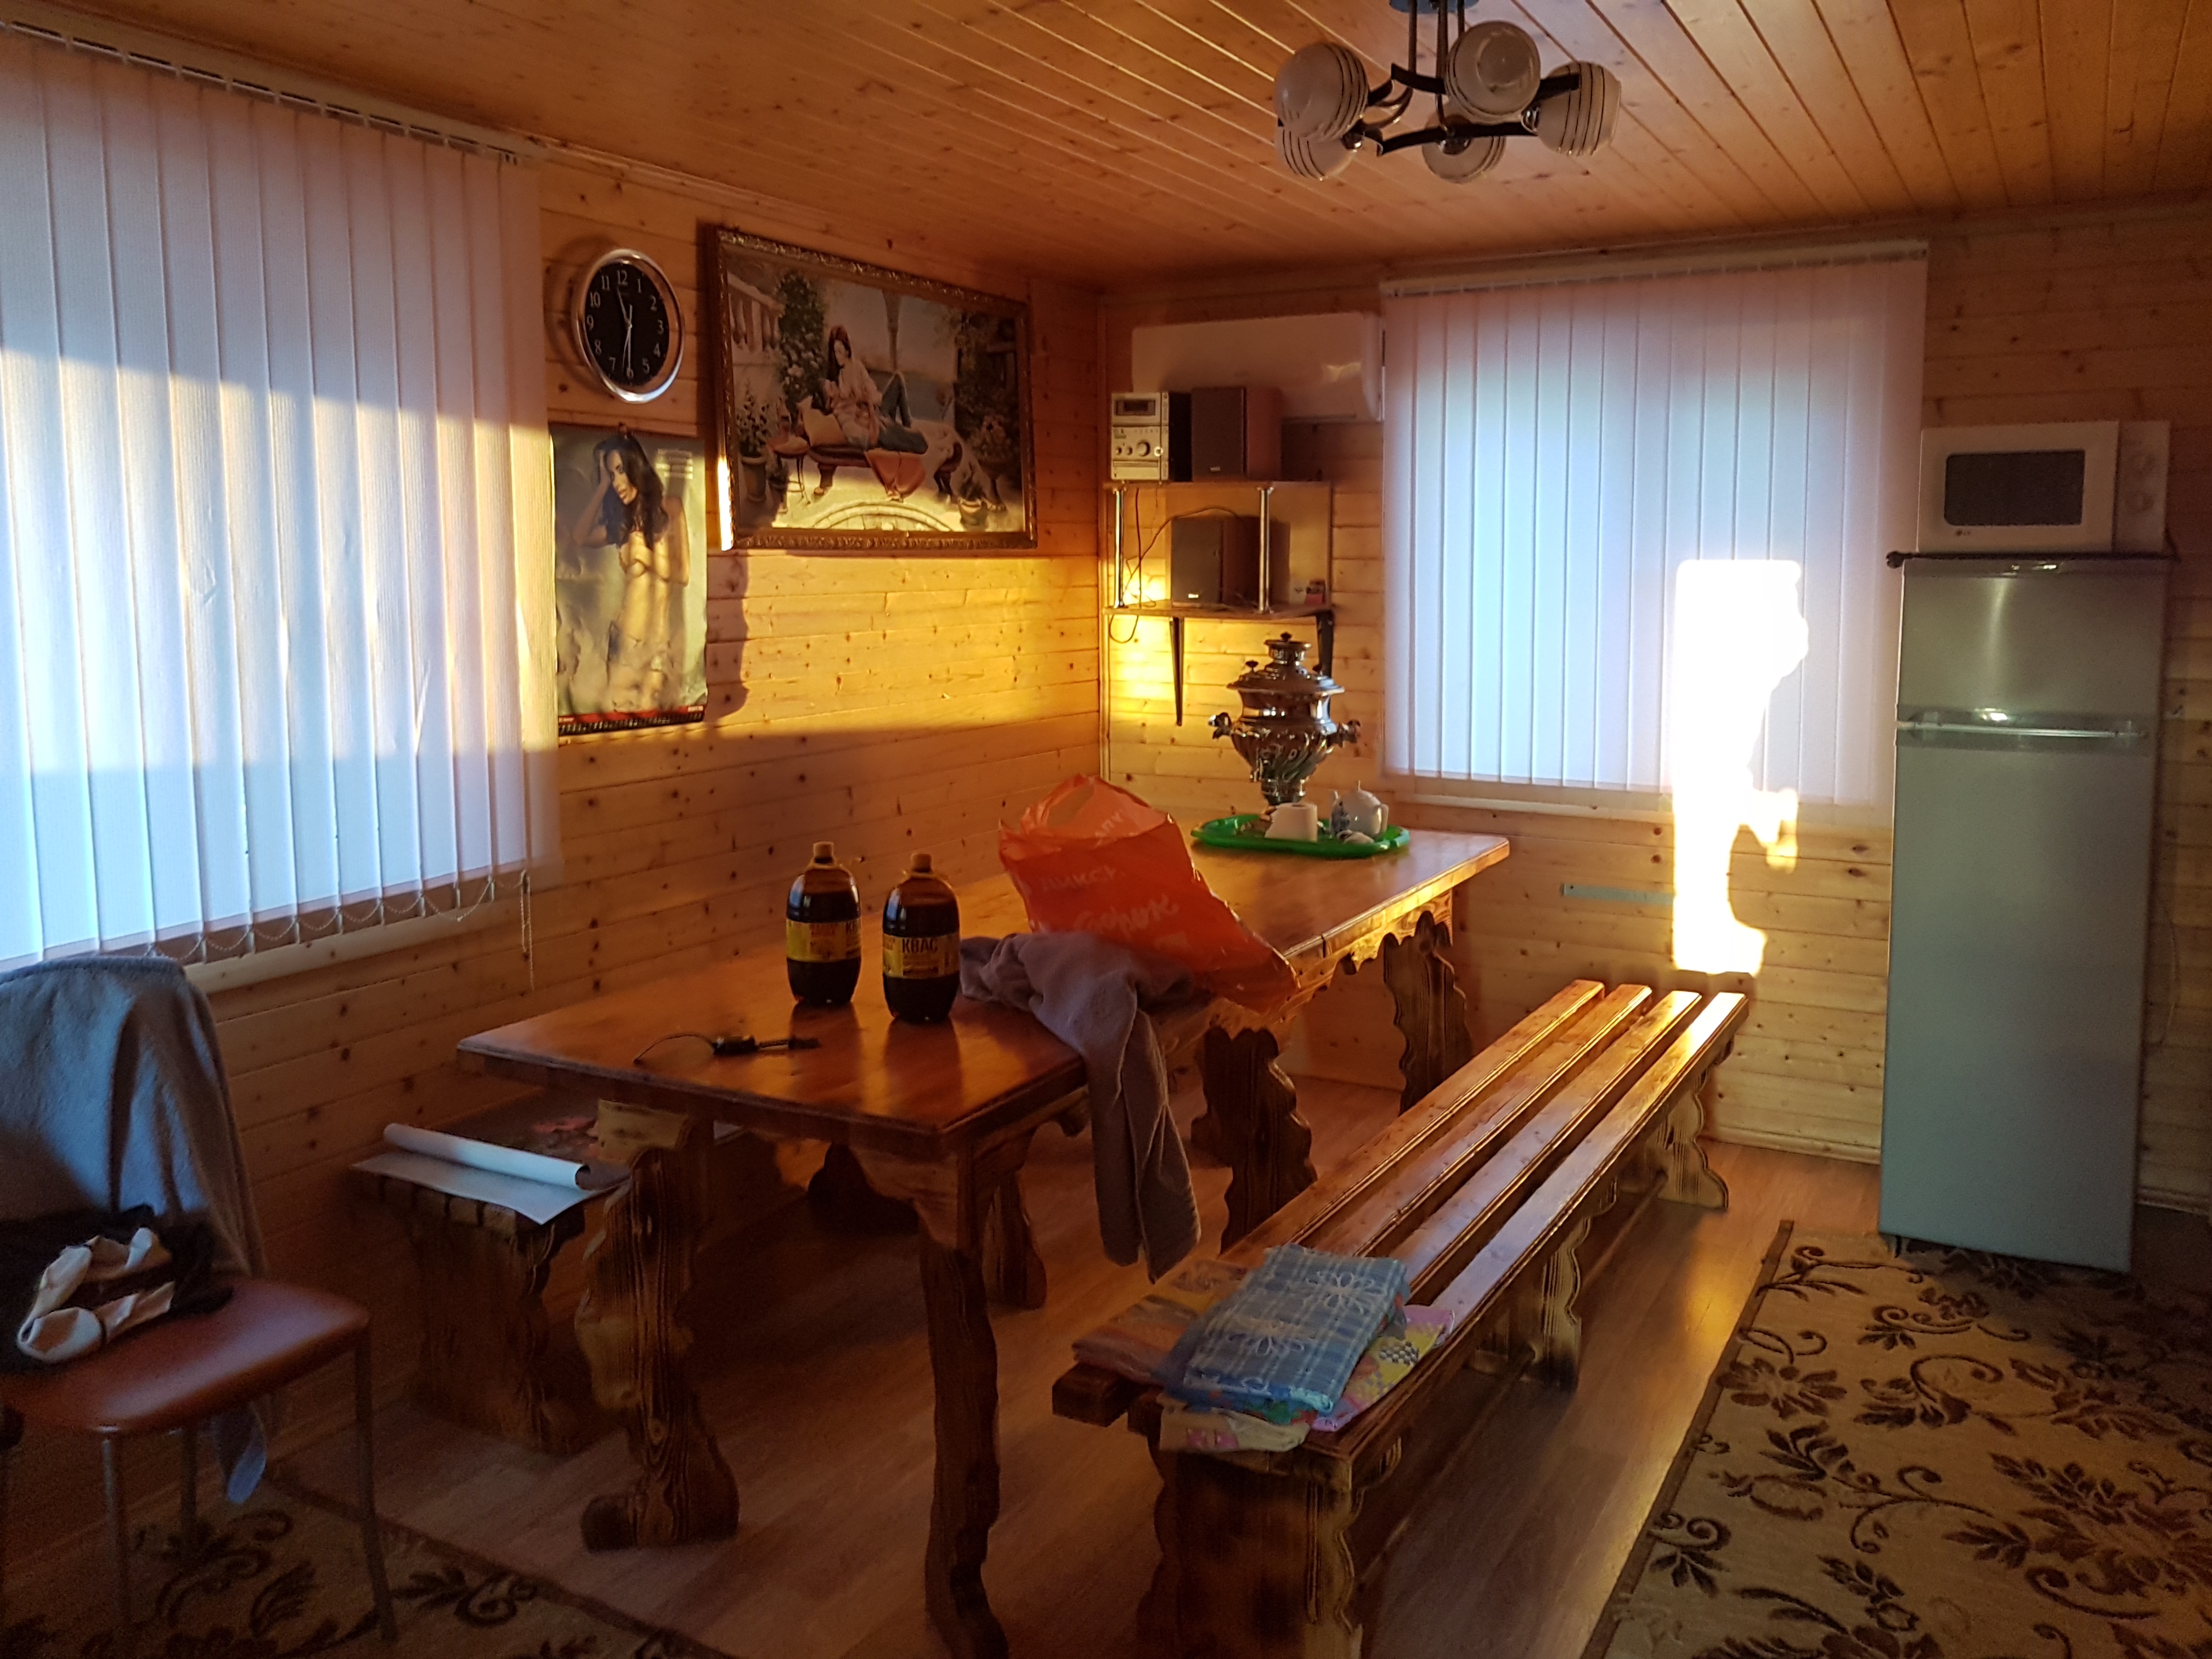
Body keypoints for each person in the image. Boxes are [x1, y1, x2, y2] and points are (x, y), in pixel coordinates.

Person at [567, 432, 689, 712]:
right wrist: (601, 488)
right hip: (624, 643)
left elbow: (683, 574)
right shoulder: (621, 524)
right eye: (611, 476)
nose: (617, 482)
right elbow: (579, 537)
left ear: (636, 466)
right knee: (617, 721)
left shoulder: (671, 508)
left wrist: (643, 555)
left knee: (656, 721)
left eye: (621, 470)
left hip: (657, 646)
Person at [823, 324, 926, 456]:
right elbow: (841, 407)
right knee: (908, 438)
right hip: (868, 420)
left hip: (876, 411)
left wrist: (866, 398)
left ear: (847, 351)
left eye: (840, 352)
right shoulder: (838, 377)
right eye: (835, 352)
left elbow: (875, 395)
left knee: (898, 379)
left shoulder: (857, 367)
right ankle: (902, 432)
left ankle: (907, 426)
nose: (838, 357)